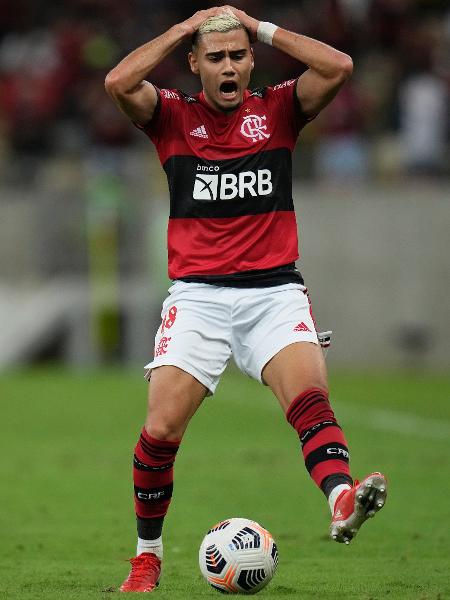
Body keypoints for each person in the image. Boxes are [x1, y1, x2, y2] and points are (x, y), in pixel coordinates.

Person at [105, 6, 387, 593]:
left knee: (310, 400)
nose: (229, 67)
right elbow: (118, 83)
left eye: (238, 55)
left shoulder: (278, 109)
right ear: (196, 65)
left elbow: (339, 66)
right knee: (159, 430)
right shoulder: (173, 118)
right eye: (216, 58)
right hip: (199, 298)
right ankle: (147, 556)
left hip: (274, 293)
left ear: (251, 60)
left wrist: (258, 25)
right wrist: (186, 26)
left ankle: (341, 499)